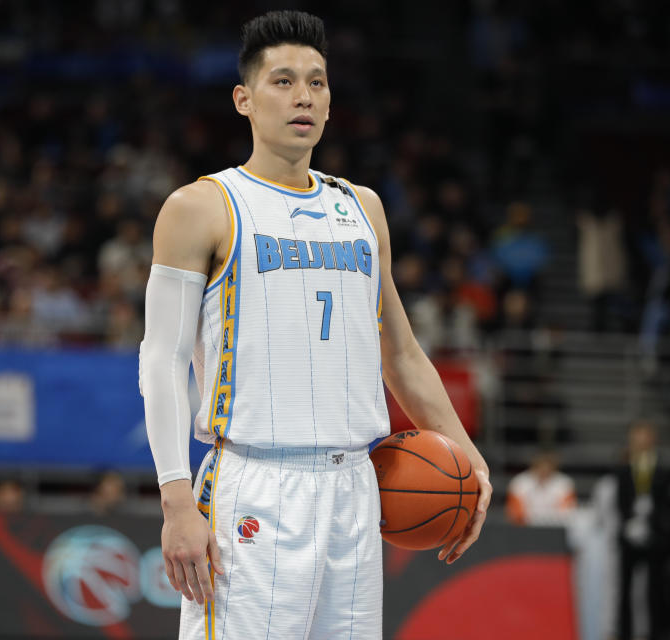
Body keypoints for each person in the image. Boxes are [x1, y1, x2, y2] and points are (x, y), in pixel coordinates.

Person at [137, 11, 493, 639]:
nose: (304, 95)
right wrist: (175, 501)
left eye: (317, 82)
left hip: (356, 486)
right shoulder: (200, 207)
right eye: (282, 81)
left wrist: (468, 455)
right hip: (254, 484)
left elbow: (402, 354)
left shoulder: (363, 208)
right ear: (243, 99)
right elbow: (161, 360)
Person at [615, 420, 670, 640]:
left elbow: (667, 504)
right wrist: (629, 522)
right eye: (636, 435)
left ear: (652, 438)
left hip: (655, 536)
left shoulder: (662, 468)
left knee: (656, 590)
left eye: (644, 435)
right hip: (630, 534)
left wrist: (653, 522)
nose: (640, 440)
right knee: (625, 590)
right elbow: (620, 499)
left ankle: (657, 633)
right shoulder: (624, 467)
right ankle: (625, 633)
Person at [505, 449, 576, 527]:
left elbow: (567, 512)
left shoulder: (564, 483)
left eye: (547, 465)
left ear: (553, 466)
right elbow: (515, 513)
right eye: (540, 465)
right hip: (526, 529)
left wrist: (544, 520)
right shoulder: (519, 483)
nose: (544, 469)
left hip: (555, 529)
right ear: (534, 465)